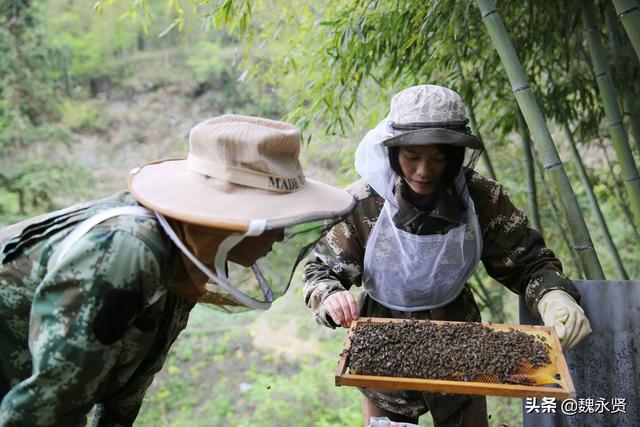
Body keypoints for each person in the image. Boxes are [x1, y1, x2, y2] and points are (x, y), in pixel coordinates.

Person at [0, 114, 355, 426]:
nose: (282, 233)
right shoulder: (123, 255)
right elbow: (48, 407)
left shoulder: (190, 253)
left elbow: (134, 376)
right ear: (230, 219)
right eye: (275, 218)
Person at [302, 85, 592, 427]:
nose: (423, 170)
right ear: (393, 152)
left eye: (438, 158)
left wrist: (554, 295)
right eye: (412, 156)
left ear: (455, 156)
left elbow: (528, 263)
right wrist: (331, 297)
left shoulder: (482, 198)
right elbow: (319, 271)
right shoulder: (362, 202)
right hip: (380, 342)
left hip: (458, 333)